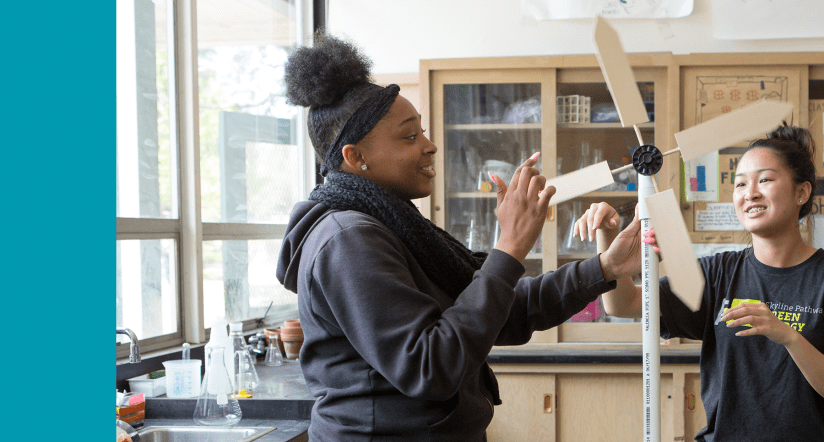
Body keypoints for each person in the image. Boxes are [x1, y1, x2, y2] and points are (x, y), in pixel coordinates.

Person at [275, 32, 645, 441]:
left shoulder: (395, 227)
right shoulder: (348, 239)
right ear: (355, 156)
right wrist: (510, 246)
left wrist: (605, 267)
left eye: (424, 133)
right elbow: (430, 367)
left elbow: (504, 310)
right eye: (410, 136)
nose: (431, 147)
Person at [575, 122, 824, 441]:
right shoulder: (718, 273)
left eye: (765, 180)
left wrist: (789, 337)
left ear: (802, 192)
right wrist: (607, 239)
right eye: (740, 184)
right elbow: (623, 304)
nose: (750, 194)